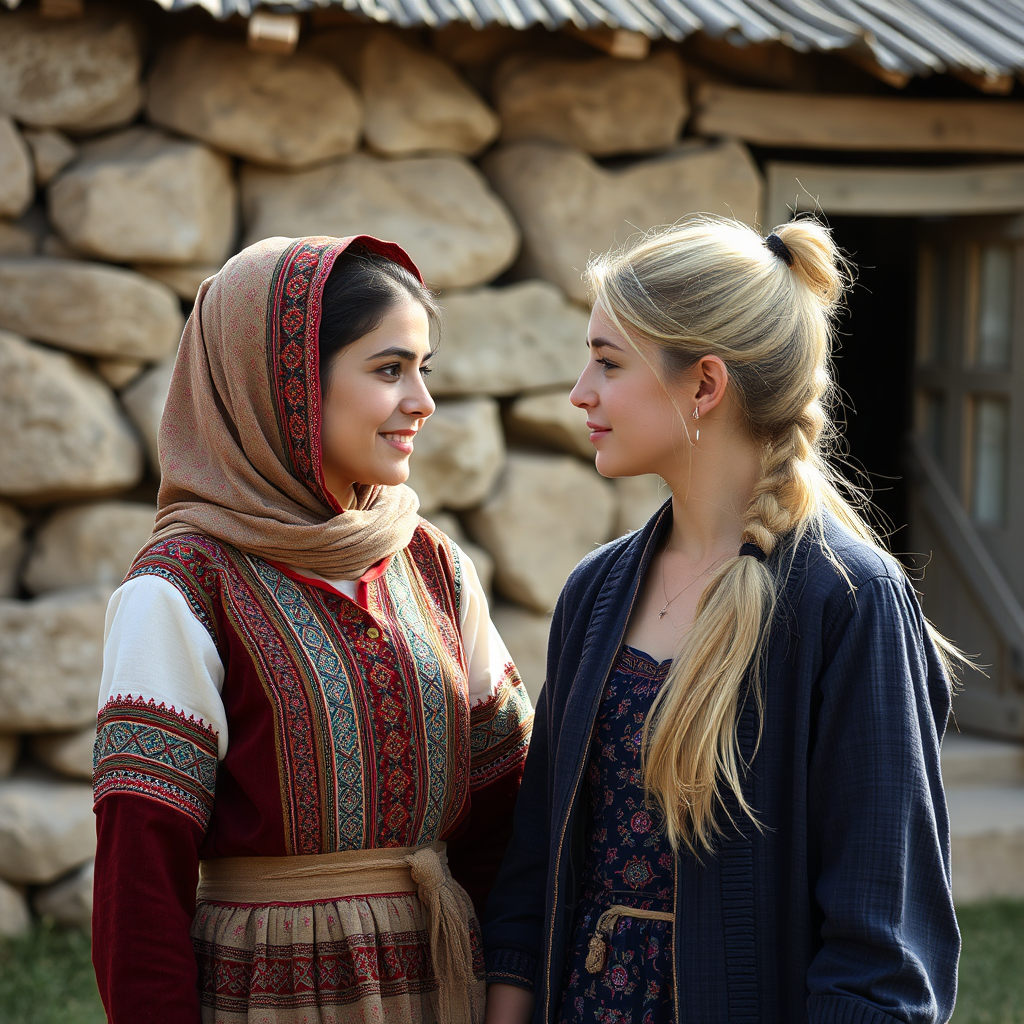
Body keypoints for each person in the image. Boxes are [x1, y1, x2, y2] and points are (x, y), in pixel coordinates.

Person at [483, 217, 960, 1024]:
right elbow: (535, 874)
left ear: (704, 385)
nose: (579, 392)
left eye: (606, 362)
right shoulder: (593, 594)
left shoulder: (848, 603)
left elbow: (881, 957)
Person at [91, 234, 533, 1024]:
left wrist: (509, 998)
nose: (422, 402)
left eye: (423, 370)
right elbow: (139, 885)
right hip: (269, 998)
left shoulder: (432, 566)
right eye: (389, 369)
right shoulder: (182, 587)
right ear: (287, 383)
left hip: (446, 991)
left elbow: (506, 822)